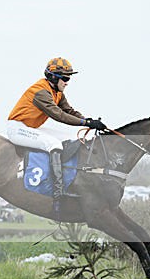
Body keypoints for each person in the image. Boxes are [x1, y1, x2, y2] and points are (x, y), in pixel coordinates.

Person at [6, 57, 107, 213]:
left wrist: (88, 121)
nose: (67, 82)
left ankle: (69, 176)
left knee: (69, 138)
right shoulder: (40, 92)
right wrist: (85, 123)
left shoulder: (57, 92)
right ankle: (57, 190)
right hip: (17, 128)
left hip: (32, 126)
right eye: (65, 79)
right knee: (54, 144)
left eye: (69, 79)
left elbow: (69, 111)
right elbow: (59, 115)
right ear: (54, 77)